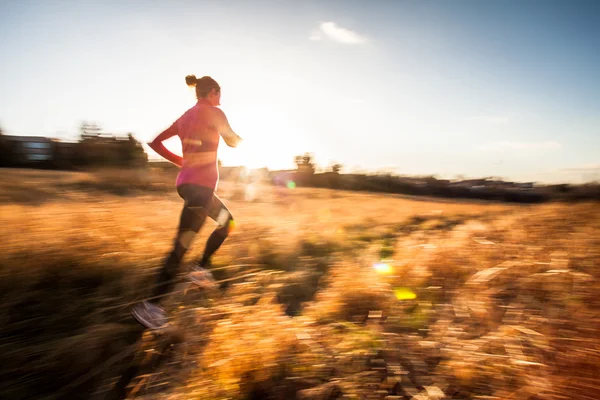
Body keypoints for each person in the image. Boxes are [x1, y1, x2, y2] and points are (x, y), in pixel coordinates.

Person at [132, 74, 242, 329]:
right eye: (219, 93)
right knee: (180, 247)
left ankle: (200, 268)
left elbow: (155, 142)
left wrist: (181, 162)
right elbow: (232, 141)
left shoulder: (185, 116)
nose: (221, 99)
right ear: (212, 92)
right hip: (200, 190)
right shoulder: (215, 112)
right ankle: (151, 306)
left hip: (188, 185)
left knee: (228, 223)